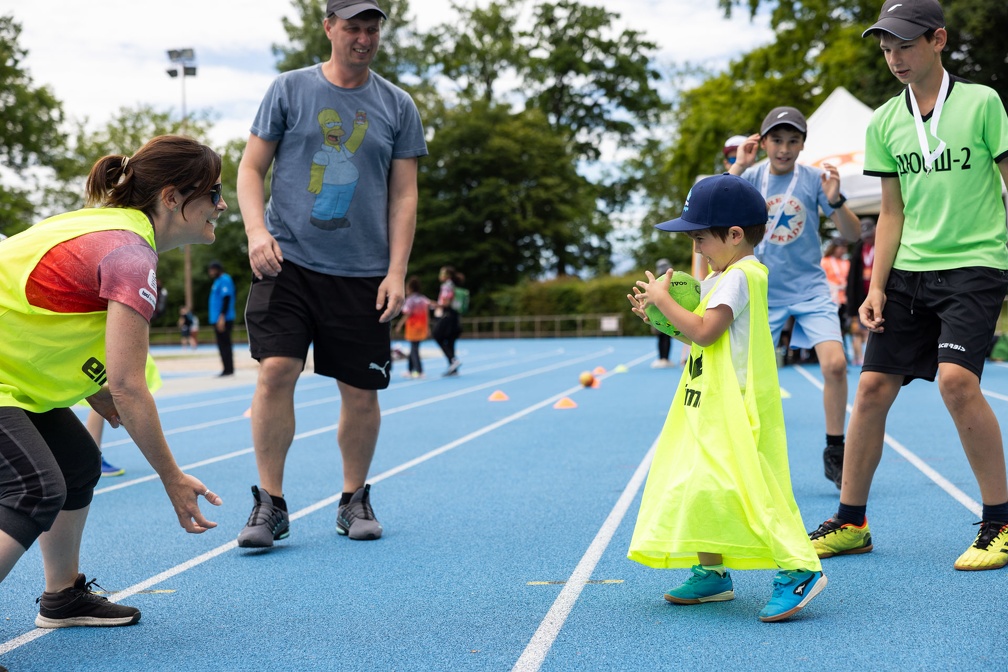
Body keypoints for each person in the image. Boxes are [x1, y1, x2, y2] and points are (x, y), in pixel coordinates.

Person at [808, 0, 1008, 571]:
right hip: (907, 272)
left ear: (938, 40)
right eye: (887, 47)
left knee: (955, 383)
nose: (895, 57)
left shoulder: (983, 103)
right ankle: (851, 522)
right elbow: (890, 214)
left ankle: (1000, 521)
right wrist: (875, 287)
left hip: (974, 264)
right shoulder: (884, 121)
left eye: (906, 45)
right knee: (871, 389)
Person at [0, 135, 225, 627]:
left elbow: (45, 313)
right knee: (35, 489)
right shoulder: (131, 254)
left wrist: (95, 390)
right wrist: (172, 477)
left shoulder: (102, 226)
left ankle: (62, 596)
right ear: (171, 197)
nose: (222, 204)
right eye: (213, 192)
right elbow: (129, 384)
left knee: (78, 464)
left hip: (11, 377)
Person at [235, 0, 428, 547]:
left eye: (371, 28)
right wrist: (255, 232)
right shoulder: (289, 90)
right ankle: (269, 504)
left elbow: (404, 195)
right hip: (288, 259)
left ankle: (353, 499)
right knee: (276, 370)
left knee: (361, 391)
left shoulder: (397, 105)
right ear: (328, 29)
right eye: (352, 28)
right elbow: (251, 169)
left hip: (363, 272)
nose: (363, 38)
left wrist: (396, 271)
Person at [626, 173, 826, 622]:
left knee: (755, 493)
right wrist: (658, 315)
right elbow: (696, 337)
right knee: (700, 486)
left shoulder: (740, 276)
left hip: (736, 407)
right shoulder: (720, 278)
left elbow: (704, 330)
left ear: (735, 235)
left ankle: (799, 568)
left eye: (700, 237)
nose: (696, 247)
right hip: (708, 402)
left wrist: (665, 297)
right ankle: (713, 574)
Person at [730, 106, 861, 489]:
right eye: (777, 140)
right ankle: (745, 453)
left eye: (792, 141)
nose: (784, 149)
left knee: (836, 365)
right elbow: (715, 211)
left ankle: (834, 450)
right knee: (748, 378)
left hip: (809, 287)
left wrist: (835, 201)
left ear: (803, 144)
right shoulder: (751, 176)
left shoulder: (817, 179)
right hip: (761, 289)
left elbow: (852, 235)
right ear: (763, 140)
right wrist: (738, 167)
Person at [846, 218, 876, 366]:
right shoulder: (859, 249)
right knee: (859, 331)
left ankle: (872, 357)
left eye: (870, 236)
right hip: (861, 298)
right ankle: (859, 357)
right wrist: (851, 309)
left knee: (872, 329)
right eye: (865, 237)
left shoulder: (882, 245)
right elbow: (852, 280)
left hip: (877, 295)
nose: (868, 239)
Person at [395, 276, 431, 378]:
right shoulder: (423, 299)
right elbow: (427, 312)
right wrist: (428, 327)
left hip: (413, 327)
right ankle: (410, 370)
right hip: (422, 327)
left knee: (414, 349)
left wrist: (399, 325)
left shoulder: (410, 300)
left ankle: (419, 370)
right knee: (414, 348)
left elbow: (407, 313)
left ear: (410, 288)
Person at [432, 265, 464, 376]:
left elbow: (445, 303)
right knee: (450, 340)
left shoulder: (446, 286)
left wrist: (434, 305)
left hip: (447, 315)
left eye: (442, 273)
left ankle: (453, 360)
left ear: (448, 275)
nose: (440, 275)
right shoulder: (455, 285)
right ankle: (453, 367)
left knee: (437, 335)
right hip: (455, 316)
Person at [820, 235, 851, 348]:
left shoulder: (847, 263)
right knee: (829, 326)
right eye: (840, 247)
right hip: (830, 298)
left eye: (844, 248)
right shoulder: (825, 261)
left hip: (844, 299)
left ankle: (842, 350)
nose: (842, 250)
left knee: (843, 326)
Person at [207, 260, 236, 376]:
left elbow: (227, 298)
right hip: (217, 318)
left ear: (218, 269)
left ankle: (229, 369)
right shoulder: (217, 281)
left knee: (225, 344)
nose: (211, 272)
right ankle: (226, 368)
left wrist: (222, 317)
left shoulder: (225, 279)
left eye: (213, 270)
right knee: (221, 344)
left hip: (223, 318)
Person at [651, 258, 674, 368]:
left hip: (662, 312)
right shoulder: (659, 281)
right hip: (661, 312)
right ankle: (663, 358)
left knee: (664, 337)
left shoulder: (658, 281)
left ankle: (663, 358)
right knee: (664, 337)